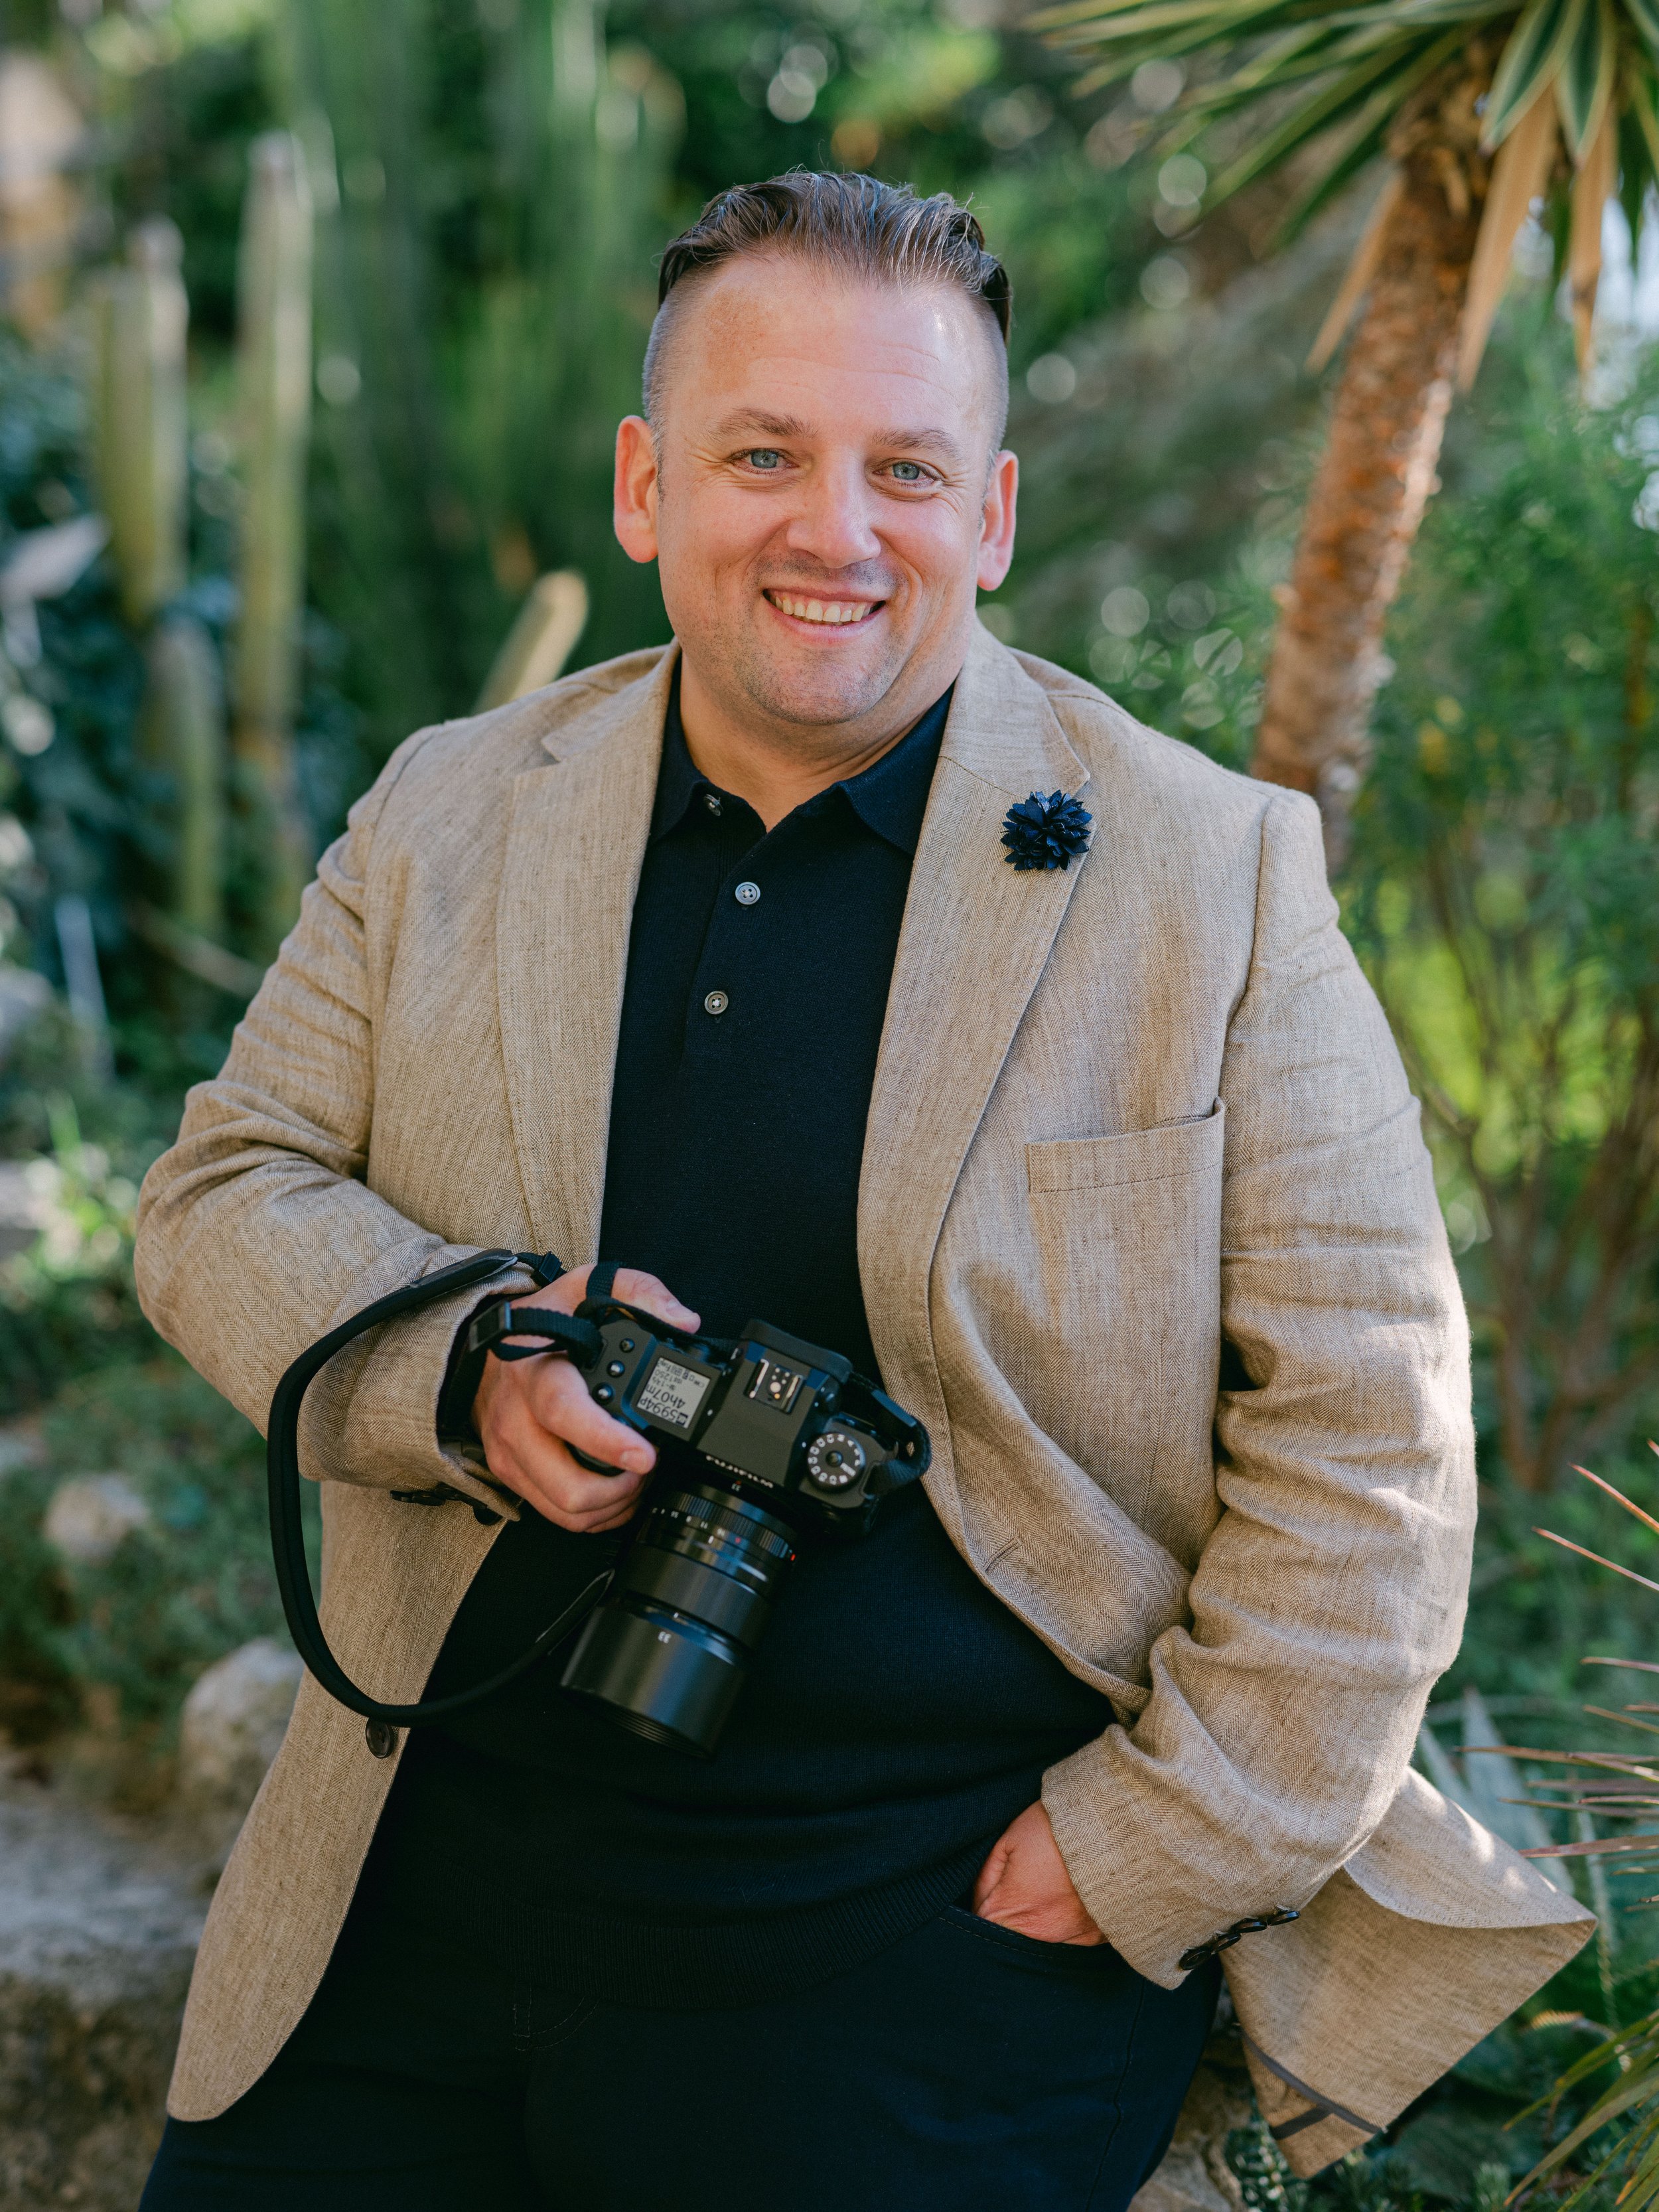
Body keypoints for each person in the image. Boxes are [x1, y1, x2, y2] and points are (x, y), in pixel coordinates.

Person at [134, 173, 1589, 2212]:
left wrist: (1130, 1859)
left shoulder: (1209, 879)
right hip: (416, 1887)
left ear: (988, 517)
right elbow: (220, 1193)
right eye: (763, 455)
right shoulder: (453, 806)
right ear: (646, 488)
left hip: (933, 1961)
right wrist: (464, 1373)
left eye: (907, 466)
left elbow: (1376, 1443)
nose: (837, 530)